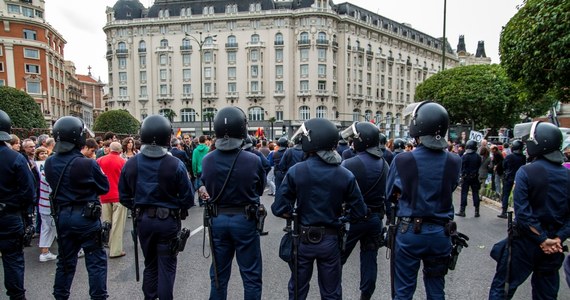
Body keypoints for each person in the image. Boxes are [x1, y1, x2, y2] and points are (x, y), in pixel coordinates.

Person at [272, 117, 367, 300]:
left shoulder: (296, 171)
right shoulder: (345, 174)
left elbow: (279, 208)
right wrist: (341, 218)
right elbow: (359, 212)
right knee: (331, 293)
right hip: (330, 239)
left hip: (303, 238)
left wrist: (294, 213)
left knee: (298, 291)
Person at [386, 101, 461, 299]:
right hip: (441, 232)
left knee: (403, 291)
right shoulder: (454, 160)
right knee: (436, 289)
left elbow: (389, 195)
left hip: (410, 231)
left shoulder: (403, 159)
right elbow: (450, 187)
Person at [489, 121, 570, 299]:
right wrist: (557, 239)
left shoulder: (526, 172)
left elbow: (523, 214)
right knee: (546, 295)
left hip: (525, 243)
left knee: (502, 289)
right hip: (554, 246)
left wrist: (542, 239)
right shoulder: (567, 175)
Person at [119, 115, 194, 300]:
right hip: (167, 220)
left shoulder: (131, 164)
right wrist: (176, 206)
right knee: (167, 267)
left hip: (144, 220)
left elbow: (123, 195)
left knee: (150, 265)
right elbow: (188, 198)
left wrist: (138, 206)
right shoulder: (175, 164)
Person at [197, 106, 266, 300]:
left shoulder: (208, 160)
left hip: (218, 220)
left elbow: (207, 185)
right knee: (251, 276)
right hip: (245, 219)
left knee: (218, 276)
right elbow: (259, 189)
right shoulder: (253, 160)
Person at [44, 116, 110, 300]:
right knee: (95, 262)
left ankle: (60, 296)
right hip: (86, 216)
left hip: (63, 215)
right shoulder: (87, 163)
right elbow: (104, 187)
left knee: (64, 262)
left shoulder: (50, 162)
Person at [340, 121, 388, 300]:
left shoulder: (349, 163)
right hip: (376, 218)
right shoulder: (384, 164)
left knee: (337, 259)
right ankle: (365, 296)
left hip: (353, 218)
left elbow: (339, 192)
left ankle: (334, 293)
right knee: (369, 259)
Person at [0, 109, 36, 299]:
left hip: (10, 213)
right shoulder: (15, 158)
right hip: (9, 215)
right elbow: (29, 192)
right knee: (13, 260)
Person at [96, 142, 127, 258]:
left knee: (106, 222)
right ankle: (116, 250)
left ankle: (106, 242)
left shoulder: (100, 160)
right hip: (118, 195)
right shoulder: (123, 162)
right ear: (120, 151)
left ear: (109, 149)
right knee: (117, 224)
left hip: (104, 195)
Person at [34, 146, 58, 262]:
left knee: (46, 229)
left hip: (42, 205)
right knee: (56, 229)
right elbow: (53, 192)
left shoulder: (44, 172)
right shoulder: (50, 174)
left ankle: (44, 252)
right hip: (50, 207)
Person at [497, 140, 526, 219]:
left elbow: (504, 166)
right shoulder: (523, 157)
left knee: (506, 194)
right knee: (517, 196)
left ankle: (504, 211)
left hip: (509, 177)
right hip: (519, 178)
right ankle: (517, 214)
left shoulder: (509, 157)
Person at [456, 140, 482, 217]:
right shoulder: (478, 157)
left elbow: (461, 167)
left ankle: (462, 210)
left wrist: (462, 175)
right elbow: (479, 165)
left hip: (466, 177)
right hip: (475, 177)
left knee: (464, 193)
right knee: (475, 193)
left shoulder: (465, 156)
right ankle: (477, 211)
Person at [192, 135, 210, 206]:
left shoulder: (195, 150)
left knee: (200, 186)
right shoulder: (208, 149)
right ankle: (207, 199)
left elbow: (194, 162)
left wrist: (194, 171)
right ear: (205, 141)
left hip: (199, 171)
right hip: (207, 169)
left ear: (199, 141)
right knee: (207, 185)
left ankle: (201, 201)